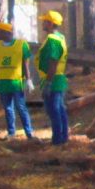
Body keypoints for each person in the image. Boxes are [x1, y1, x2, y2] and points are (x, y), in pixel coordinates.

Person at [0, 22, 35, 140]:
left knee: (21, 107)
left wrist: (28, 80)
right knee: (8, 108)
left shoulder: (21, 44)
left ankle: (29, 133)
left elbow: (26, 63)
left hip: (16, 82)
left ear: (6, 32)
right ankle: (11, 133)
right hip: (3, 83)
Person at [36, 10, 69, 146]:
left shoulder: (53, 41)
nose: (42, 23)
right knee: (59, 109)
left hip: (53, 79)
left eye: (45, 21)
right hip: (57, 78)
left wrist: (48, 83)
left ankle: (57, 140)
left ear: (50, 24)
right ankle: (63, 137)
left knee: (54, 110)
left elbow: (53, 63)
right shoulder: (60, 37)